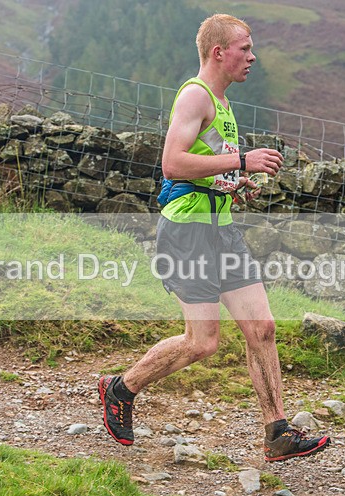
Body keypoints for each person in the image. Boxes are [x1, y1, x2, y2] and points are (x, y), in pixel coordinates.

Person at [99, 14, 329, 462]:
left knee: (261, 328)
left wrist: (232, 185)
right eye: (245, 48)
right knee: (202, 342)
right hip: (187, 232)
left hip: (220, 230)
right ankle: (121, 388)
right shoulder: (194, 97)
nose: (252, 56)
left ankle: (277, 433)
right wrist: (241, 161)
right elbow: (173, 164)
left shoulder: (223, 106)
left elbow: (203, 171)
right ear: (219, 52)